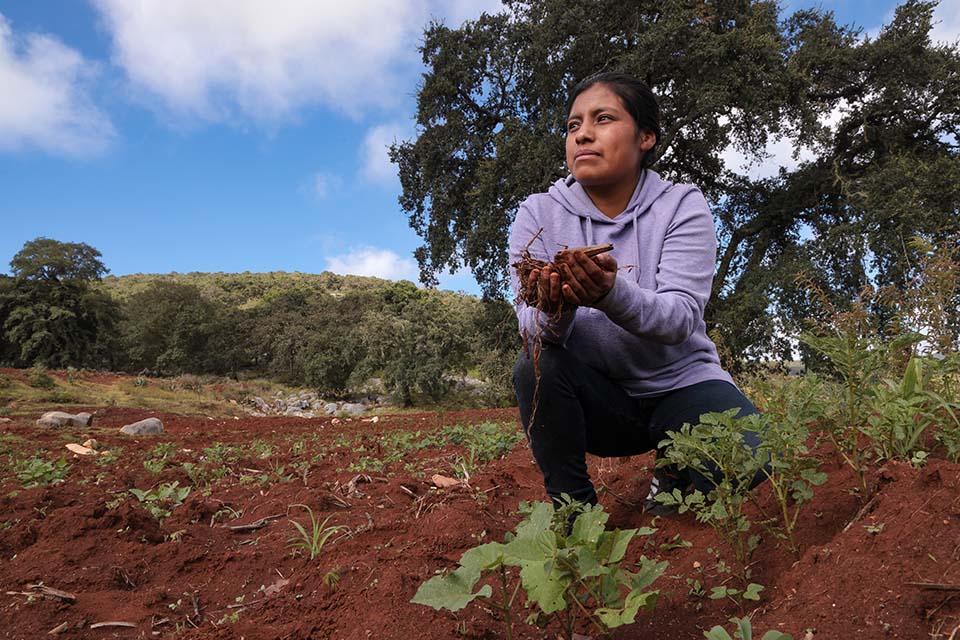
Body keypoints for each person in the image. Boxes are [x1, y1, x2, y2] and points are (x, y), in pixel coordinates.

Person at [509, 71, 764, 514]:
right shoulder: (538, 213)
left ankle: (674, 470)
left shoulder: (682, 205)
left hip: (681, 385)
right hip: (602, 401)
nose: (583, 134)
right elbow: (533, 329)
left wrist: (609, 293)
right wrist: (556, 308)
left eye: (602, 118)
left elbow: (681, 317)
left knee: (751, 460)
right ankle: (576, 514)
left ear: (646, 136)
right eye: (573, 126)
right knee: (534, 368)